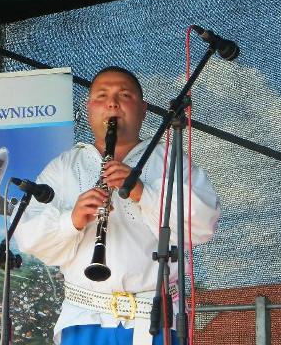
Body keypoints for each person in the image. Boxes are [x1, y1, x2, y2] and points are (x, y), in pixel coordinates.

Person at [14, 66, 220, 345]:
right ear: (88, 108)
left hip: (154, 319)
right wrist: (72, 220)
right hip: (84, 319)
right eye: (102, 96)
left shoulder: (170, 161)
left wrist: (142, 193)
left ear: (143, 109)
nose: (112, 103)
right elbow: (27, 235)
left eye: (124, 95)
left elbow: (203, 224)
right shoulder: (64, 167)